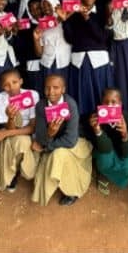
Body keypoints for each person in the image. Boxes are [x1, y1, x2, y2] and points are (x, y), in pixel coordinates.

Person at [31, 74, 93, 206]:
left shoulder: (70, 104)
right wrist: (49, 133)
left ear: (63, 89)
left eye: (56, 88)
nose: (51, 92)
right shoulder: (41, 106)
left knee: (59, 154)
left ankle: (71, 191)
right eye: (47, 88)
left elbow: (70, 141)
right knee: (45, 169)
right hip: (52, 141)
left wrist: (46, 146)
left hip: (74, 142)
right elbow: (41, 136)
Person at [58, 0, 114, 117]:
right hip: (80, 60)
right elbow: (70, 39)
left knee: (101, 94)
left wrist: (87, 18)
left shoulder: (101, 11)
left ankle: (104, 122)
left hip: (99, 60)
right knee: (82, 94)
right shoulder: (73, 13)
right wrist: (65, 20)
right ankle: (84, 124)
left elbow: (102, 37)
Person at [0, 69, 40, 192]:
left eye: (15, 82)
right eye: (6, 85)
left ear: (21, 81)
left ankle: (26, 169)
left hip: (29, 132)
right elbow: (8, 128)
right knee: (17, 141)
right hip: (12, 132)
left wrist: (5, 133)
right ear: (2, 86)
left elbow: (33, 127)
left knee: (23, 141)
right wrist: (11, 117)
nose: (11, 87)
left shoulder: (32, 95)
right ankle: (13, 172)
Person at [88, 88, 128, 192]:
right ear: (101, 103)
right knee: (104, 161)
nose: (109, 106)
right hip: (105, 150)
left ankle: (119, 179)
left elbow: (127, 152)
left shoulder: (127, 119)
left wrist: (125, 134)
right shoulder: (95, 118)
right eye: (106, 102)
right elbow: (105, 149)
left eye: (114, 102)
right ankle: (102, 174)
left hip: (123, 148)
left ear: (120, 104)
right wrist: (97, 130)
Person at [34, 0, 72, 85]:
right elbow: (39, 53)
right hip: (47, 63)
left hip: (64, 62)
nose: (46, 8)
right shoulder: (41, 24)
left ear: (55, 4)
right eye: (43, 6)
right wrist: (35, 39)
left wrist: (63, 16)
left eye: (49, 5)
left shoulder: (66, 18)